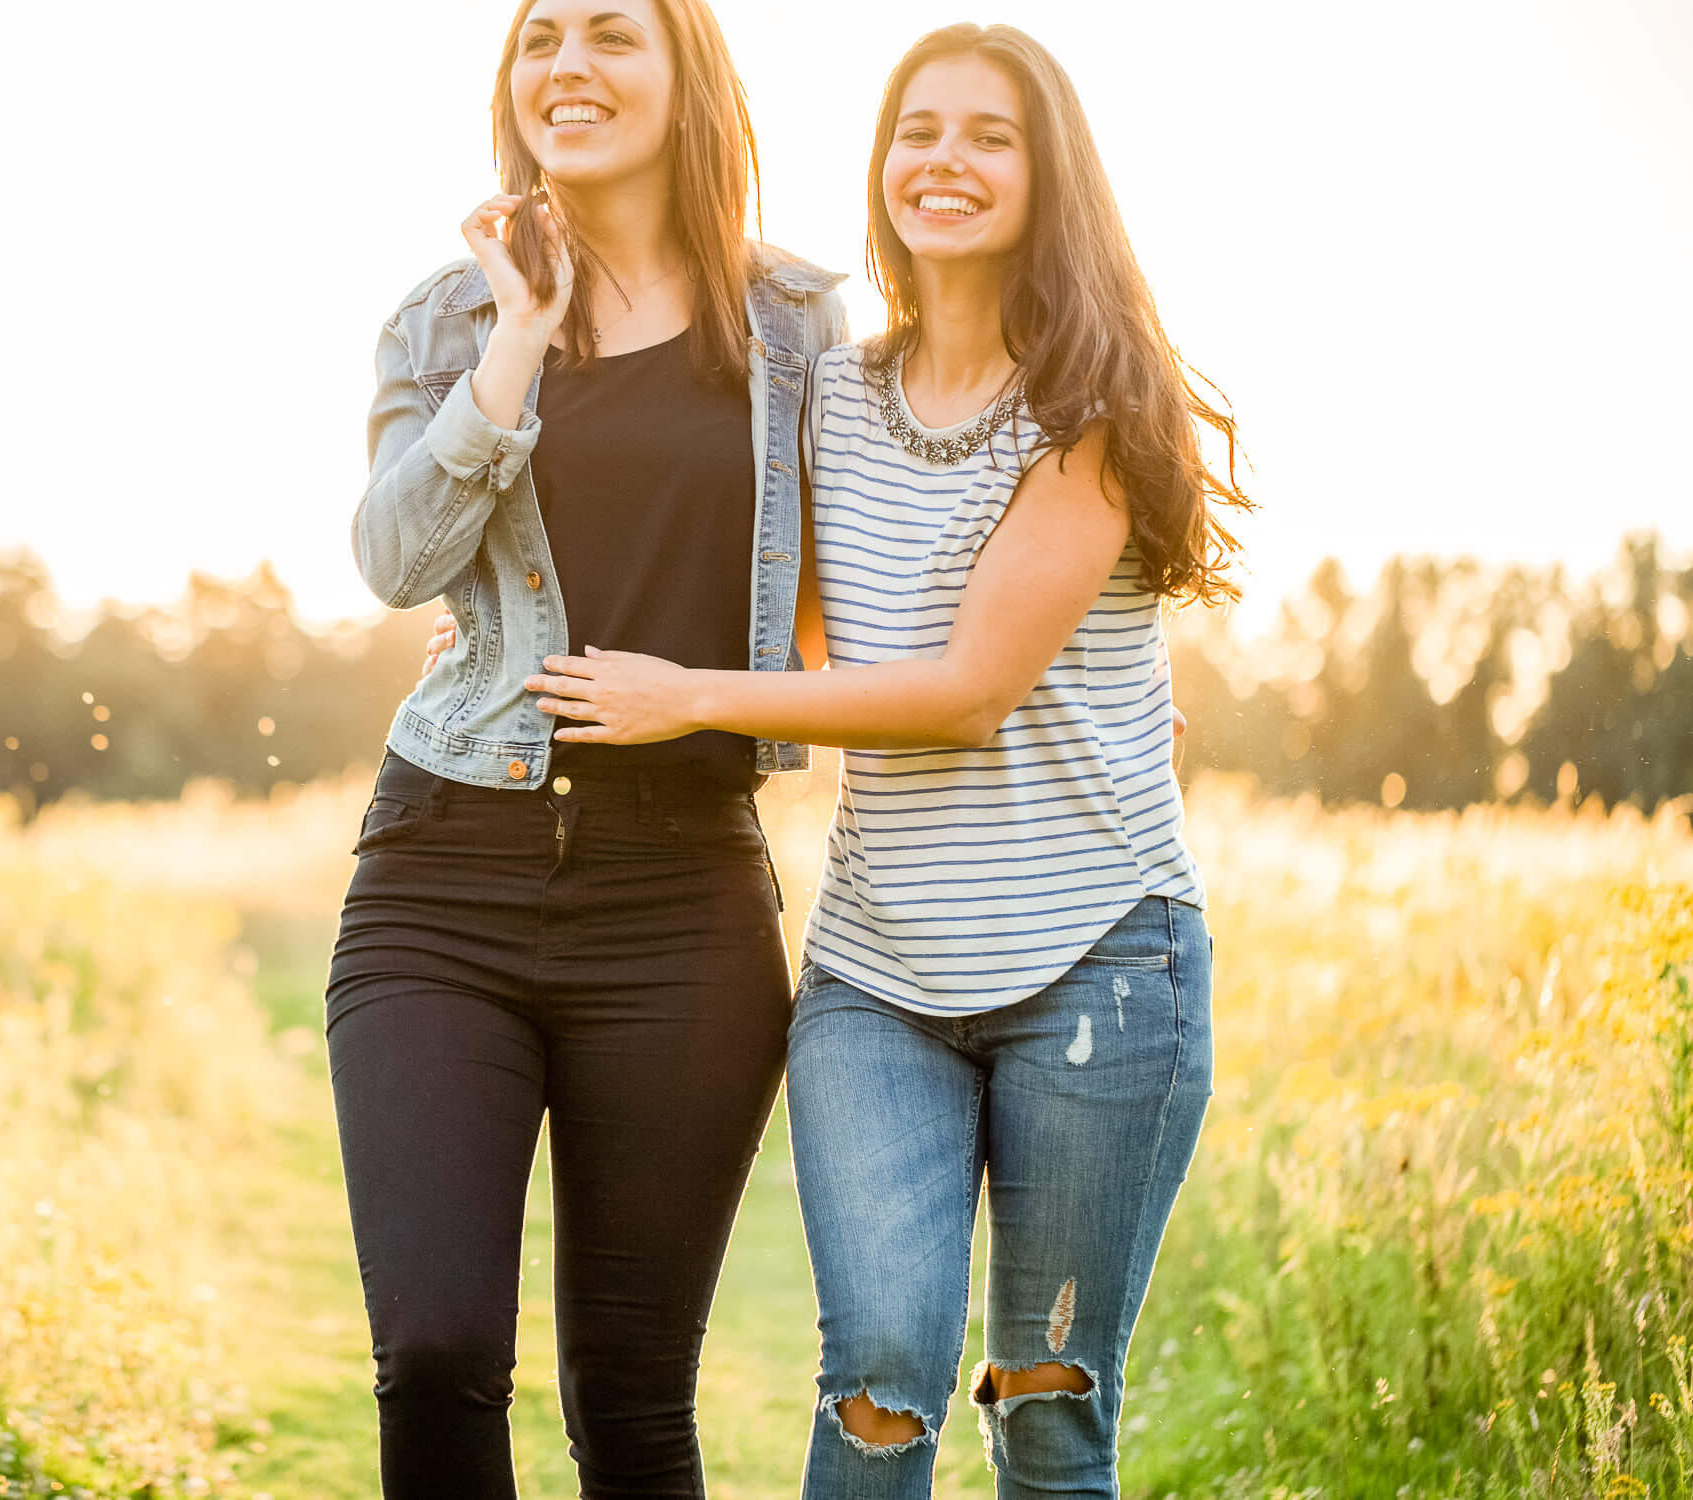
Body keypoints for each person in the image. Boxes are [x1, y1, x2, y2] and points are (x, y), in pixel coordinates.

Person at [517, 23, 1250, 1497]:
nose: (945, 161)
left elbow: (967, 689)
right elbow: (775, 613)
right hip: (876, 982)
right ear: (879, 165)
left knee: (1045, 1404)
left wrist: (687, 701)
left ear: (1052, 177)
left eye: (989, 135)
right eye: (917, 131)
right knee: (876, 1386)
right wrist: (504, 621)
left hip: (1099, 970)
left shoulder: (1096, 406)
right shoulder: (822, 397)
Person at [326, 0, 846, 1493]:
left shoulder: (805, 324)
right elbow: (396, 562)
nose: (568, 65)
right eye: (538, 35)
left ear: (690, 77)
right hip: (443, 876)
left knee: (628, 1395)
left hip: (680, 894)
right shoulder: (444, 316)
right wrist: (520, 340)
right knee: (432, 1353)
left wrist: (1056, 678)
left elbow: (886, 563)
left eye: (612, 33)